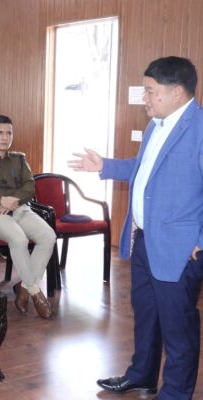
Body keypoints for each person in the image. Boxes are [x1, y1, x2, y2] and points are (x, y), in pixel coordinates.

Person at [69, 56, 203, 399]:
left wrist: (201, 240)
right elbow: (143, 168)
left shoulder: (199, 129)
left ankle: (175, 394)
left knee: (178, 329)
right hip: (143, 239)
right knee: (146, 315)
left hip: (180, 248)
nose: (145, 98)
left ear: (176, 92)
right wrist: (104, 165)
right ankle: (142, 375)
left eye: (150, 91)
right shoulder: (156, 125)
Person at [0, 114, 56, 319]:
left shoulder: (19, 159)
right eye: (0, 133)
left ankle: (24, 288)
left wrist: (13, 200)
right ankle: (35, 292)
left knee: (48, 236)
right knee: (19, 239)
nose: (5, 137)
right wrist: (0, 199)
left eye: (9, 133)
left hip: (20, 209)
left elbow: (30, 185)